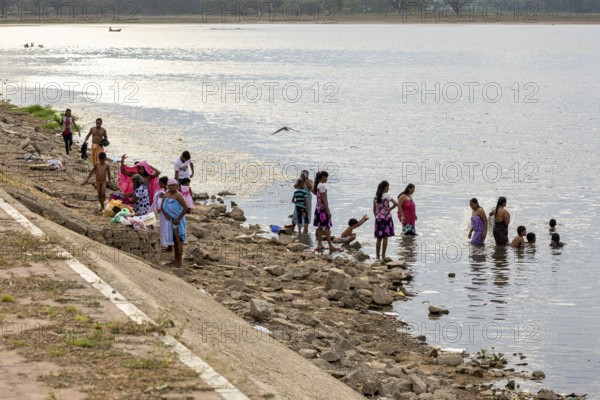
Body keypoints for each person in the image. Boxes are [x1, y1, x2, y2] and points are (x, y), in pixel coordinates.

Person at [161, 179, 189, 267]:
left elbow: (185, 208)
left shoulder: (178, 195)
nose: (172, 187)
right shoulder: (166, 194)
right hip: (170, 220)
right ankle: (175, 259)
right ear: (167, 186)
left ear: (177, 186)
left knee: (178, 240)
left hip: (178, 220)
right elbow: (162, 207)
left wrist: (178, 218)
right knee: (174, 240)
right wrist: (166, 214)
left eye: (174, 185)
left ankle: (179, 261)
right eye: (170, 185)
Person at [313, 171, 340, 253]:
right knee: (327, 227)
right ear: (322, 177)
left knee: (320, 227)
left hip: (318, 209)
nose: (327, 179)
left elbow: (317, 196)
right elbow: (323, 199)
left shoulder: (317, 185)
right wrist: (328, 211)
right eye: (326, 177)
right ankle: (330, 246)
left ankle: (319, 244)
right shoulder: (322, 186)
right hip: (323, 210)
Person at [374, 181, 397, 260]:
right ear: (385, 187)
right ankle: (383, 255)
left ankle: (377, 256)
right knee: (385, 237)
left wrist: (377, 216)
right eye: (388, 187)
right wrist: (389, 210)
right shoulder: (387, 195)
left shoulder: (376, 196)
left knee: (379, 238)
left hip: (378, 218)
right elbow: (396, 204)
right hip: (386, 218)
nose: (388, 188)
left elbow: (374, 209)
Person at [151, 176, 173, 252]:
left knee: (165, 229)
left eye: (160, 183)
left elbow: (165, 203)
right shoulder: (165, 192)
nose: (159, 184)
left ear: (164, 184)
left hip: (166, 213)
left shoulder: (165, 193)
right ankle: (169, 245)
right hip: (166, 213)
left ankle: (167, 245)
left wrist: (161, 210)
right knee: (168, 229)